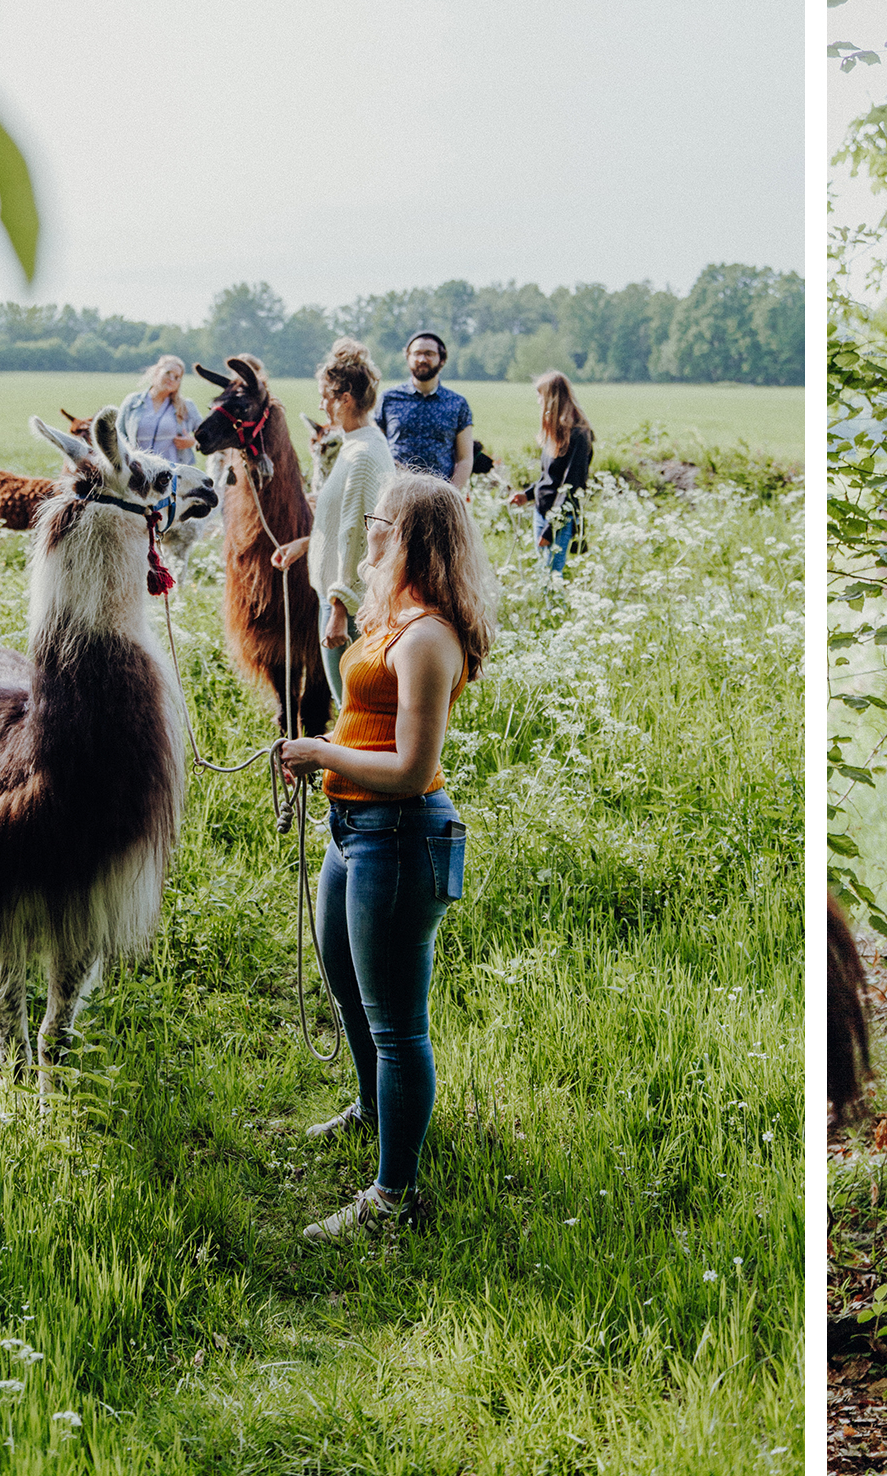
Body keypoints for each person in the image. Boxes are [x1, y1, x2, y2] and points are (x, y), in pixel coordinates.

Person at [277, 470, 492, 1240]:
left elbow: (408, 767)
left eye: (379, 521)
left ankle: (394, 1196)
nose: (368, 531)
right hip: (353, 833)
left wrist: (318, 750)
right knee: (348, 989)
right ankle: (374, 1112)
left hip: (399, 837)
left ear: (410, 536)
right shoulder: (393, 619)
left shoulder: (430, 637)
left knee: (398, 1025)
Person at [270, 339, 392, 701]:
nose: (321, 404)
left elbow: (359, 534)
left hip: (349, 604)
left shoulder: (362, 457)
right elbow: (346, 519)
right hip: (345, 598)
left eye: (325, 395)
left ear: (346, 398)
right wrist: (305, 545)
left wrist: (339, 609)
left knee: (352, 710)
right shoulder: (360, 445)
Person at [510, 370, 593, 577]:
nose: (538, 401)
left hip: (559, 520)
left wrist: (550, 529)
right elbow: (548, 476)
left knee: (552, 577)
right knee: (542, 574)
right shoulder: (554, 432)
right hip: (541, 512)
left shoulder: (579, 436)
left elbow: (571, 485)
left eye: (541, 396)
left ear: (553, 399)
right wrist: (527, 495)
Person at [376, 331, 475, 490]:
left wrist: (451, 495)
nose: (422, 359)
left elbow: (464, 459)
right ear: (408, 357)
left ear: (442, 359)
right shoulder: (388, 399)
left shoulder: (457, 403)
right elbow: (377, 449)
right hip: (395, 494)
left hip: (439, 497)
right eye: (417, 354)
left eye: (429, 354)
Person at [117, 356, 200, 465]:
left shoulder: (186, 406)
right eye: (168, 373)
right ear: (157, 371)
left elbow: (208, 433)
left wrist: (192, 442)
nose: (171, 379)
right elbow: (117, 434)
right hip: (138, 471)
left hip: (172, 473)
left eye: (176, 377)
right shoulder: (132, 402)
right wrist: (127, 451)